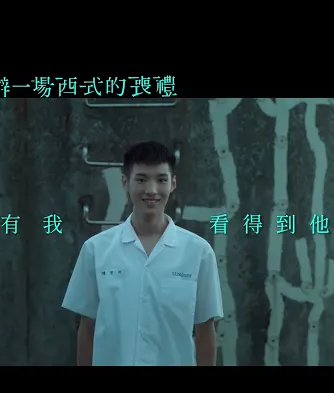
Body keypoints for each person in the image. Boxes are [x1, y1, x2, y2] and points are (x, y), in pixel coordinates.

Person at [62, 141, 224, 366]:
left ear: (173, 183)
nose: (151, 190)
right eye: (141, 179)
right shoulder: (96, 250)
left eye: (161, 180)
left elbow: (205, 330)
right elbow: (87, 327)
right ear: (125, 182)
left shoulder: (199, 253)